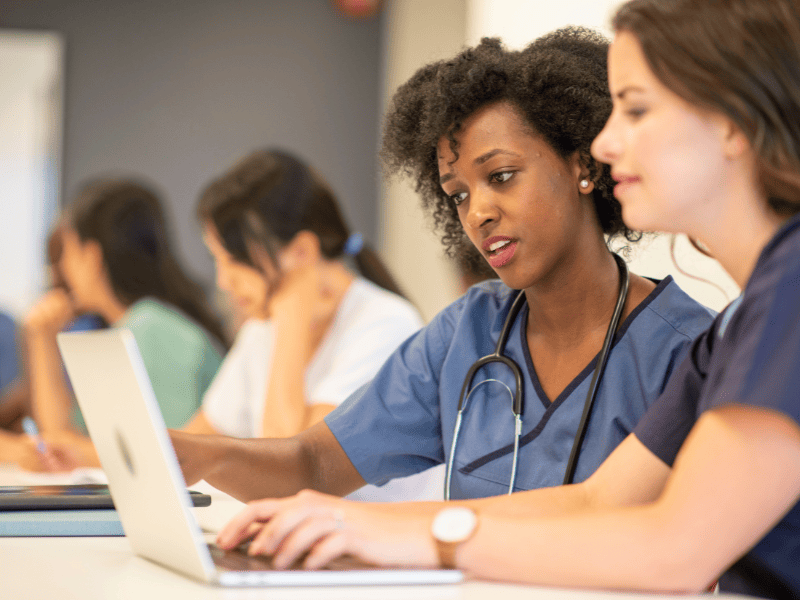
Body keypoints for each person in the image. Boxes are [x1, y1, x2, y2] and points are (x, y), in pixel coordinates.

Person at [207, 1, 800, 597]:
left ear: (731, 121)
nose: (608, 141)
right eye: (459, 194)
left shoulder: (778, 297)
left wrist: (428, 541)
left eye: (637, 110)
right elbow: (597, 502)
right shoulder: (739, 327)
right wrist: (354, 523)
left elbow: (674, 551)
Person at [170, 29, 713, 512]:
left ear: (582, 163)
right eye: (457, 195)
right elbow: (312, 464)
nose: (477, 212)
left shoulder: (687, 350)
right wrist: (196, 454)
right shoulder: (465, 334)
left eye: (500, 175)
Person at [180, 148, 441, 502]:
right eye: (217, 260)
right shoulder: (262, 330)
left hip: (369, 550)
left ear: (301, 252)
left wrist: (291, 319)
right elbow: (193, 447)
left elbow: (294, 479)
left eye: (235, 260)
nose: (224, 281)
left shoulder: (385, 325)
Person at [17, 179, 226, 467]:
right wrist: (42, 340)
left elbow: (165, 458)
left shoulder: (153, 330)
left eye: (67, 252)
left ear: (91, 256)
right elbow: (61, 440)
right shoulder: (128, 327)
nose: (62, 268)